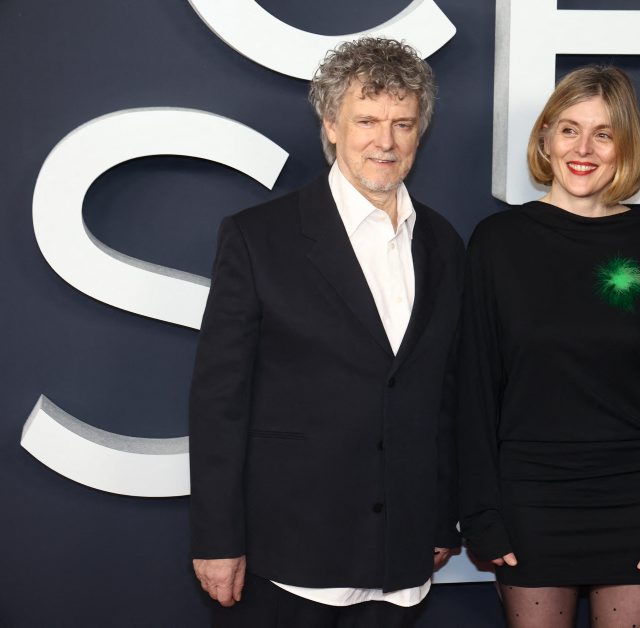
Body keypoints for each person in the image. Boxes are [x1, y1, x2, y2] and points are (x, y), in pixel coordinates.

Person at [188, 37, 464, 627]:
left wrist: (441, 517)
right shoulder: (258, 238)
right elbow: (219, 402)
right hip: (288, 556)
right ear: (331, 126)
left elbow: (442, 395)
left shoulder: (443, 244)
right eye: (366, 121)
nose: (385, 141)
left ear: (419, 132)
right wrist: (217, 538)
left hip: (402, 558)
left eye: (402, 124)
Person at [458, 66, 640, 627]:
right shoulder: (497, 243)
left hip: (636, 503)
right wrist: (482, 512)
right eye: (569, 129)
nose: (583, 149)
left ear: (626, 147)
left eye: (603, 133)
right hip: (530, 503)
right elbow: (474, 387)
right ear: (545, 138)